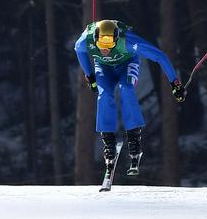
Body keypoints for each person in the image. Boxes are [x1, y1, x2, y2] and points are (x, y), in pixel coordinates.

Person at [74, 19, 186, 176]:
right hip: (104, 68)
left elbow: (159, 56)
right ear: (95, 39)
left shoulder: (127, 41)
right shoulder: (86, 40)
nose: (105, 50)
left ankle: (134, 139)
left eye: (109, 45)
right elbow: (78, 50)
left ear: (117, 38)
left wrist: (175, 83)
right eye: (101, 46)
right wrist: (90, 76)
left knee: (126, 89)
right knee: (104, 95)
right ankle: (108, 142)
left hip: (126, 64)